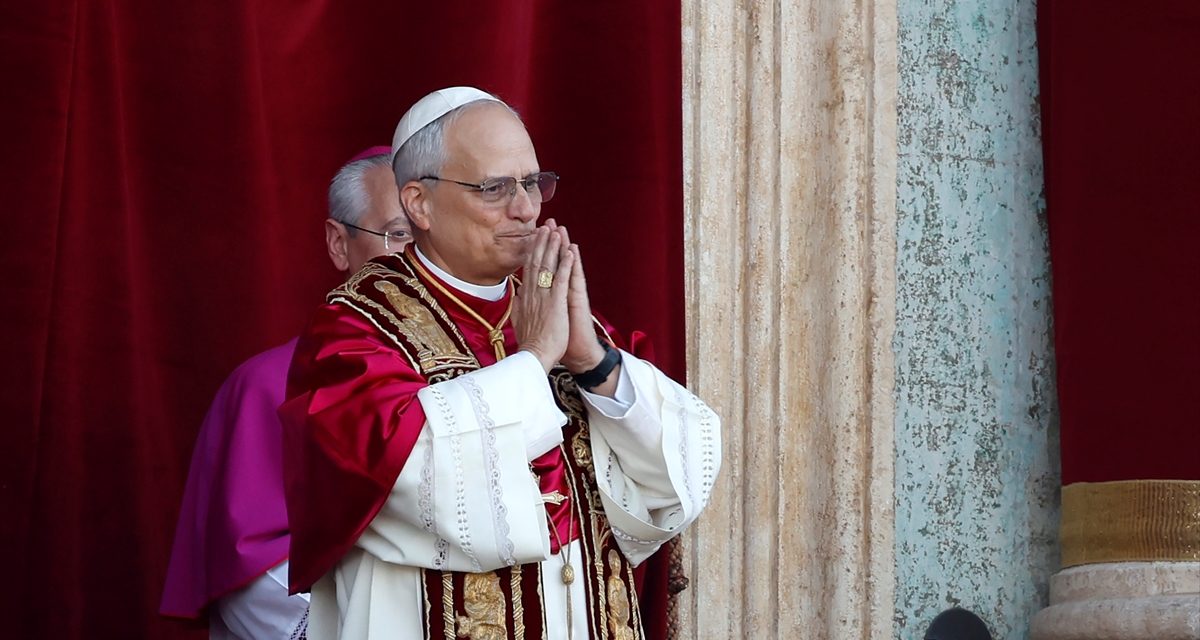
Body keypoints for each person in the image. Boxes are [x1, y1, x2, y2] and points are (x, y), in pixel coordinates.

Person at [280, 87, 722, 640]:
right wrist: (533, 361)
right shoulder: (357, 327)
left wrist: (592, 361)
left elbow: (680, 478)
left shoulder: (562, 318)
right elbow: (407, 480)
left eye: (534, 183)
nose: (528, 208)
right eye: (495, 188)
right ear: (418, 203)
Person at [160, 147, 412, 639]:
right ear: (340, 244)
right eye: (399, 234)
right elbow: (250, 579)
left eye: (432, 238)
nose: (419, 259)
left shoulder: (486, 378)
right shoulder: (266, 387)